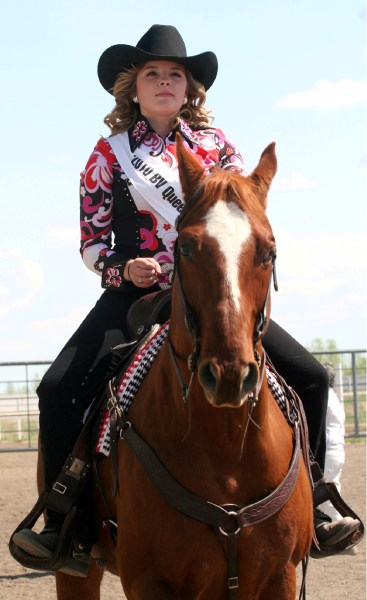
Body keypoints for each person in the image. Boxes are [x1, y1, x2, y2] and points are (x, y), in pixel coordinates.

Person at [12, 24, 360, 571]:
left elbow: (244, 220)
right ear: (134, 87)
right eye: (153, 73)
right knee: (58, 389)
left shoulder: (219, 148)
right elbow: (90, 240)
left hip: (213, 292)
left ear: (190, 88)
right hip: (135, 296)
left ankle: (314, 501)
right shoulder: (109, 154)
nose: (165, 81)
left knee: (312, 377)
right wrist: (121, 266)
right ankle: (65, 521)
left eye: (176, 74)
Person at [319, 362, 346, 521]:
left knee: (326, 500)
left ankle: (342, 530)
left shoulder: (324, 398)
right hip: (336, 452)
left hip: (328, 453)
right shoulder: (333, 398)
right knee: (332, 495)